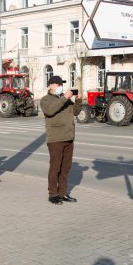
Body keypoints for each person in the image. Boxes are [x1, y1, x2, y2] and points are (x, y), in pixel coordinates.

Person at [40, 75, 82, 205]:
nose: (60, 87)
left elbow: (75, 112)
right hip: (56, 139)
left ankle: (62, 193)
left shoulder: (65, 99)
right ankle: (53, 194)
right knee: (55, 167)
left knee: (66, 168)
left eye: (61, 85)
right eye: (58, 85)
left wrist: (79, 101)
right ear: (51, 85)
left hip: (69, 137)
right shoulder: (45, 100)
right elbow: (50, 111)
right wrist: (65, 97)